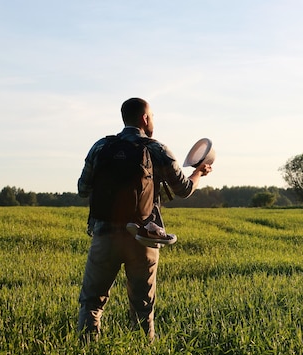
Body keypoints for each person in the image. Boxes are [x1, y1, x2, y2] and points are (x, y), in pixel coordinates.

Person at [77, 97, 212, 342]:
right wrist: (198, 173)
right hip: (143, 238)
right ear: (144, 118)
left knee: (92, 303)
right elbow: (183, 190)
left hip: (104, 235)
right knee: (142, 307)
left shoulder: (100, 147)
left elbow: (82, 188)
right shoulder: (156, 149)